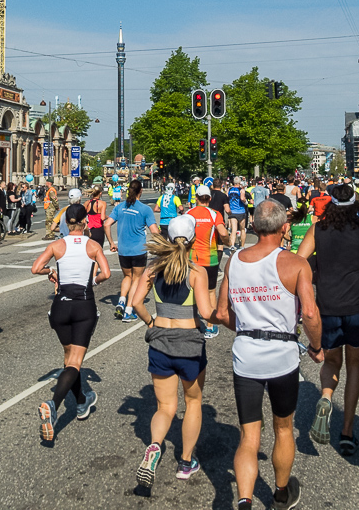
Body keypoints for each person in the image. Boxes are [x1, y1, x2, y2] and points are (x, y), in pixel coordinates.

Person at [216, 200, 323, 510]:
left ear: (252, 226)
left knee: (249, 435)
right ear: (284, 228)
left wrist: (247, 328)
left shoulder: (234, 261)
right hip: (282, 356)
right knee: (283, 427)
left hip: (246, 354)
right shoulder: (295, 264)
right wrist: (316, 348)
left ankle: (245, 500)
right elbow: (311, 314)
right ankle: (280, 493)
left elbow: (222, 312)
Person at [129, 214, 216, 487]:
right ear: (192, 240)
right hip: (189, 344)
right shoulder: (196, 271)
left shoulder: (153, 269)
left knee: (165, 407)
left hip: (160, 341)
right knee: (192, 403)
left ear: (167, 238)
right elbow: (205, 312)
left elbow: (135, 302)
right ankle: (186, 462)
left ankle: (154, 445)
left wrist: (151, 322)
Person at [298, 184, 359, 455]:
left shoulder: (317, 230)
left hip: (328, 306)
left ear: (331, 205)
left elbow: (299, 262)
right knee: (354, 365)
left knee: (332, 360)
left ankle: (326, 397)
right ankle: (347, 431)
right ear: (357, 205)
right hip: (357, 307)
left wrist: (315, 271)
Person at [32, 204, 110, 441]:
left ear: (66, 223)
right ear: (85, 222)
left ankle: (81, 401)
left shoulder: (57, 245)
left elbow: (35, 268)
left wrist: (50, 272)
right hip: (83, 304)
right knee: (75, 362)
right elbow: (106, 274)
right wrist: (92, 282)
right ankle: (53, 404)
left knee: (69, 359)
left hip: (60, 306)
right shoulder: (93, 245)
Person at [105, 179, 159, 323]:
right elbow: (154, 231)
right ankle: (129, 310)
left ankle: (121, 301)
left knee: (127, 277)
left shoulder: (120, 207)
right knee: (136, 279)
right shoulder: (145, 209)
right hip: (138, 250)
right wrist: (163, 244)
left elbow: (107, 224)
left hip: (123, 250)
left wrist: (111, 242)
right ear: (141, 191)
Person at [186, 184, 229, 338]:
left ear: (196, 198)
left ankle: (194, 322)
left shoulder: (189, 213)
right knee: (211, 292)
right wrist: (228, 241)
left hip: (192, 259)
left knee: (192, 291)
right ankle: (210, 326)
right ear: (209, 199)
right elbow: (223, 232)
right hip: (209, 259)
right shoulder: (214, 214)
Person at [227, 177, 249, 252]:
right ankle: (242, 246)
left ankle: (232, 245)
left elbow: (227, 197)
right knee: (242, 229)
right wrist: (246, 202)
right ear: (240, 183)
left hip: (232, 211)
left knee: (234, 229)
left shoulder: (229, 189)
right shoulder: (241, 190)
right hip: (241, 211)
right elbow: (242, 198)